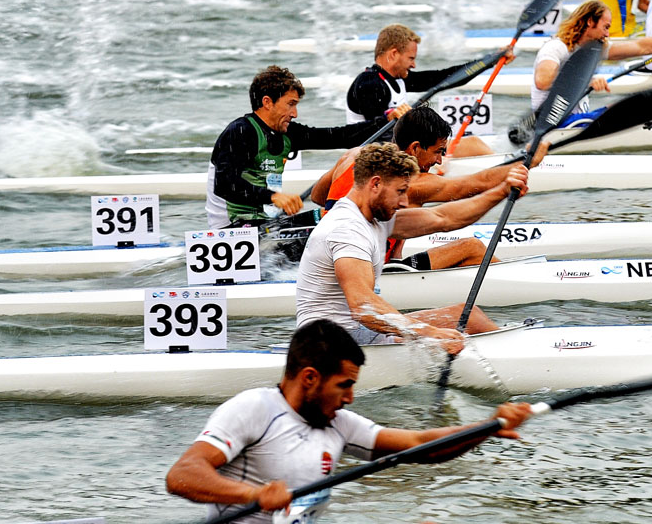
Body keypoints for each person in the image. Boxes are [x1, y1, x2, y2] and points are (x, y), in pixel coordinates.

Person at [166, 319, 533, 524]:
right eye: (344, 386)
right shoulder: (255, 408)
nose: (350, 398)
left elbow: (421, 445)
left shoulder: (337, 423)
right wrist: (253, 494)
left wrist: (489, 427)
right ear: (310, 378)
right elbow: (182, 475)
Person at [295, 142, 528, 346]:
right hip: (329, 344)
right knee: (465, 322)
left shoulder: (372, 218)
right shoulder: (347, 229)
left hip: (357, 333)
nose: (405, 202)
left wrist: (501, 192)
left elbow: (445, 218)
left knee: (467, 316)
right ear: (375, 184)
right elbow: (363, 307)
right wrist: (428, 333)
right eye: (401, 192)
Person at [308, 106, 547, 271]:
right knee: (471, 248)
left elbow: (318, 196)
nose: (440, 161)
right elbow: (473, 185)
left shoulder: (353, 155)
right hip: (366, 268)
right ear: (414, 148)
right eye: (437, 152)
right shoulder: (410, 183)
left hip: (329, 254)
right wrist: (527, 162)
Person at [207, 65, 389, 229]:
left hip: (264, 224)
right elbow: (224, 184)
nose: (295, 113)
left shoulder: (287, 133)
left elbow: (339, 137)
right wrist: (273, 197)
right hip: (231, 229)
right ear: (267, 102)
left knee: (336, 217)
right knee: (334, 219)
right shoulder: (240, 132)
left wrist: (386, 121)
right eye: (290, 104)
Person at [530, 0, 652, 126]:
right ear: (590, 21)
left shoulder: (592, 50)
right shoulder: (556, 47)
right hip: (556, 126)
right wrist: (586, 81)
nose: (607, 34)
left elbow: (641, 47)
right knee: (651, 111)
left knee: (647, 106)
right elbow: (543, 81)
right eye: (605, 27)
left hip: (579, 120)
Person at [346, 24, 510, 157]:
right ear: (394, 54)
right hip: (378, 160)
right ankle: (511, 172)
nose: (414, 65)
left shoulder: (398, 79)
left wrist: (490, 60)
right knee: (473, 145)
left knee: (471, 143)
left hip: (400, 152)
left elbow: (444, 78)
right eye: (411, 58)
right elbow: (377, 132)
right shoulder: (368, 84)